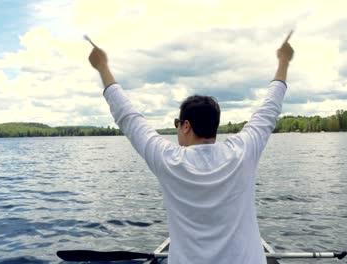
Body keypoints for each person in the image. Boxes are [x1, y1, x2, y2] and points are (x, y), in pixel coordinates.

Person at [88, 32, 294, 264]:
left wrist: (103, 67)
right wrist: (283, 62)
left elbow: (128, 116)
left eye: (177, 124)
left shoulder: (169, 161)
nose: (176, 129)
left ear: (186, 126)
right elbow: (270, 107)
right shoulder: (243, 152)